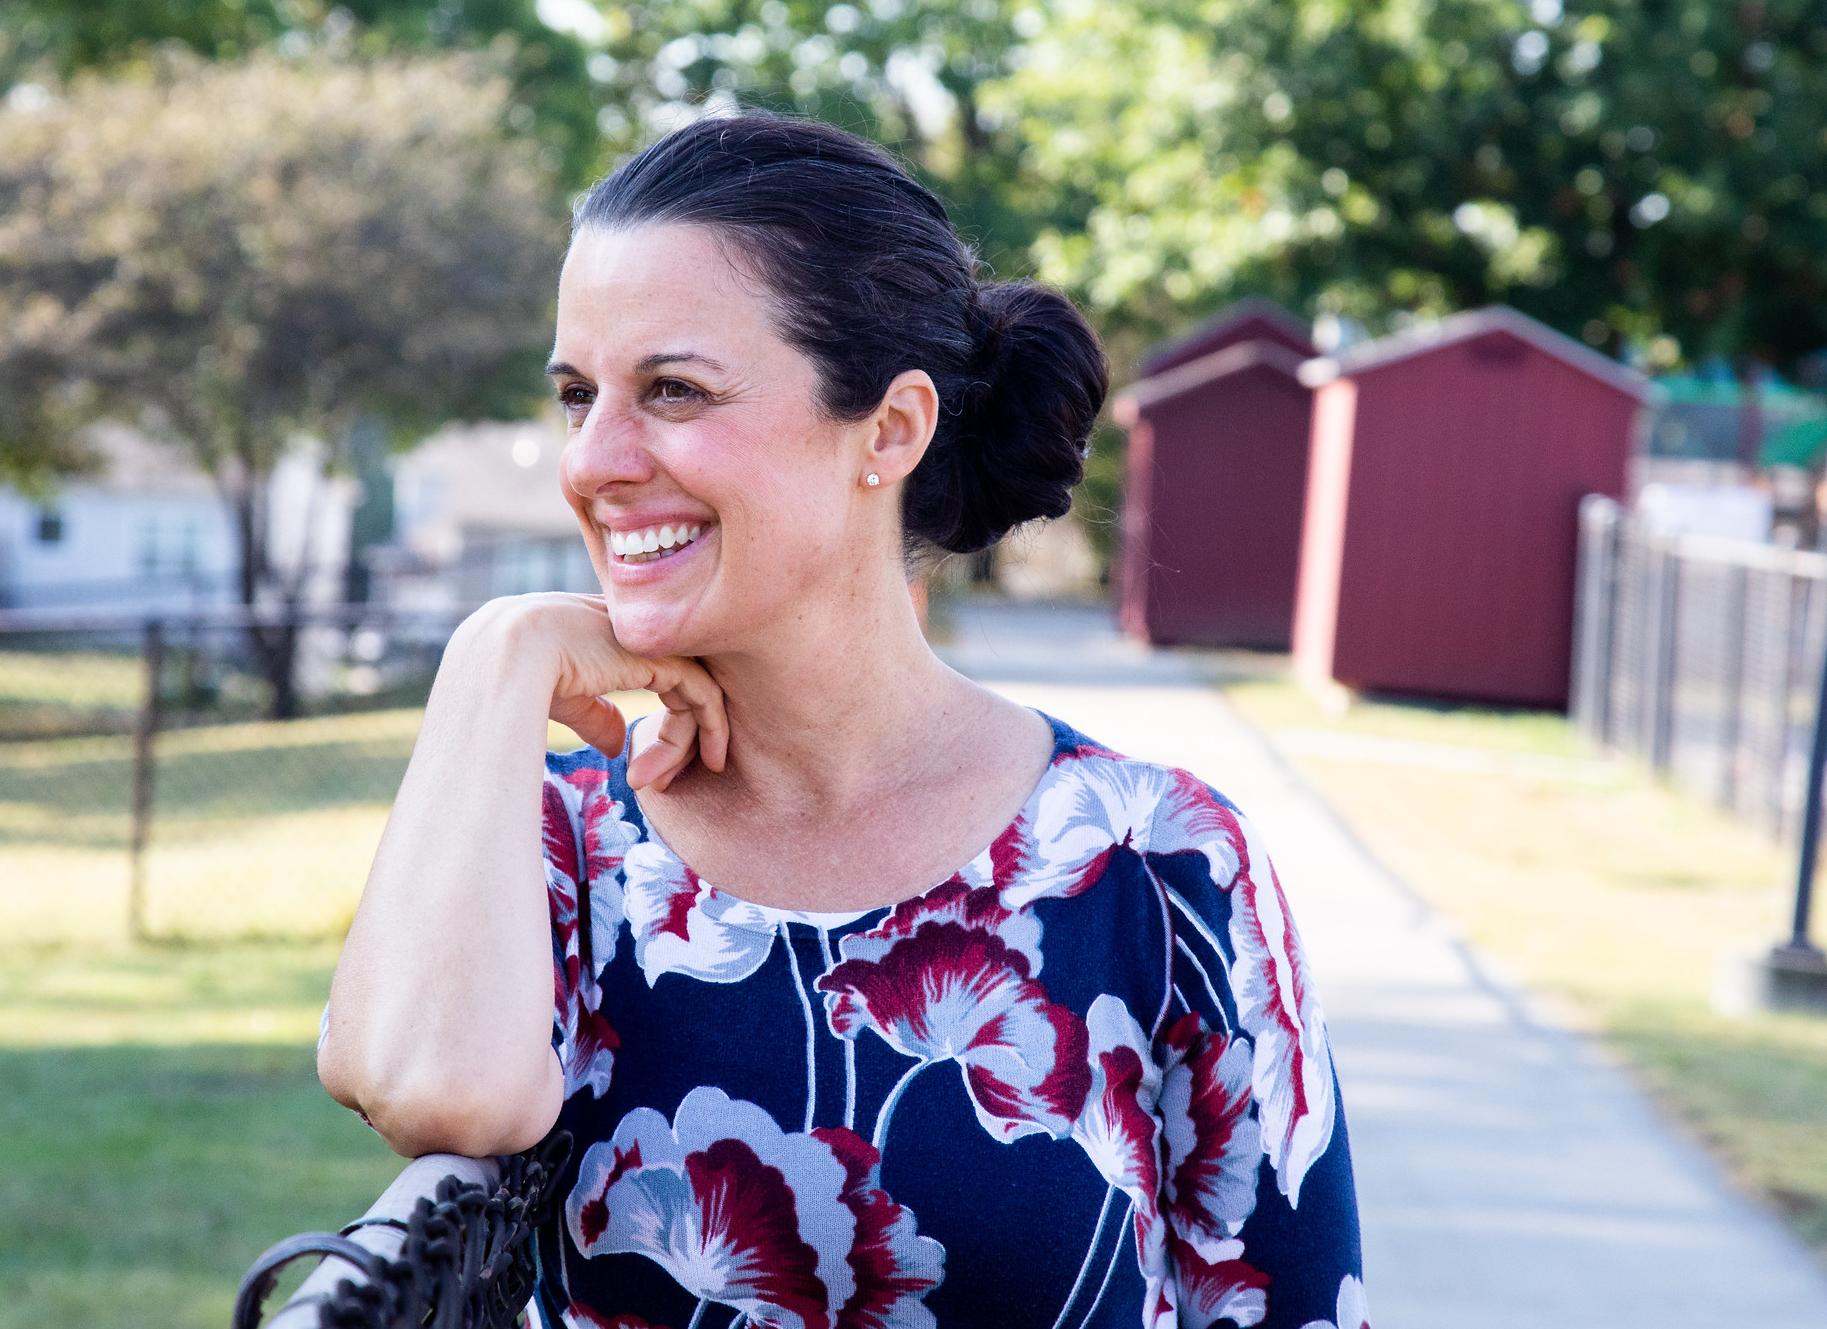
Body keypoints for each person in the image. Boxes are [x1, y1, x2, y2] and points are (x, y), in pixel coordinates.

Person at [316, 109, 1369, 1329]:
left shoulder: (1163, 868)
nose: (594, 459)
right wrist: (493, 661)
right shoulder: (555, 849)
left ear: (892, 430)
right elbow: (428, 1096)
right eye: (574, 394)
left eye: (672, 389)